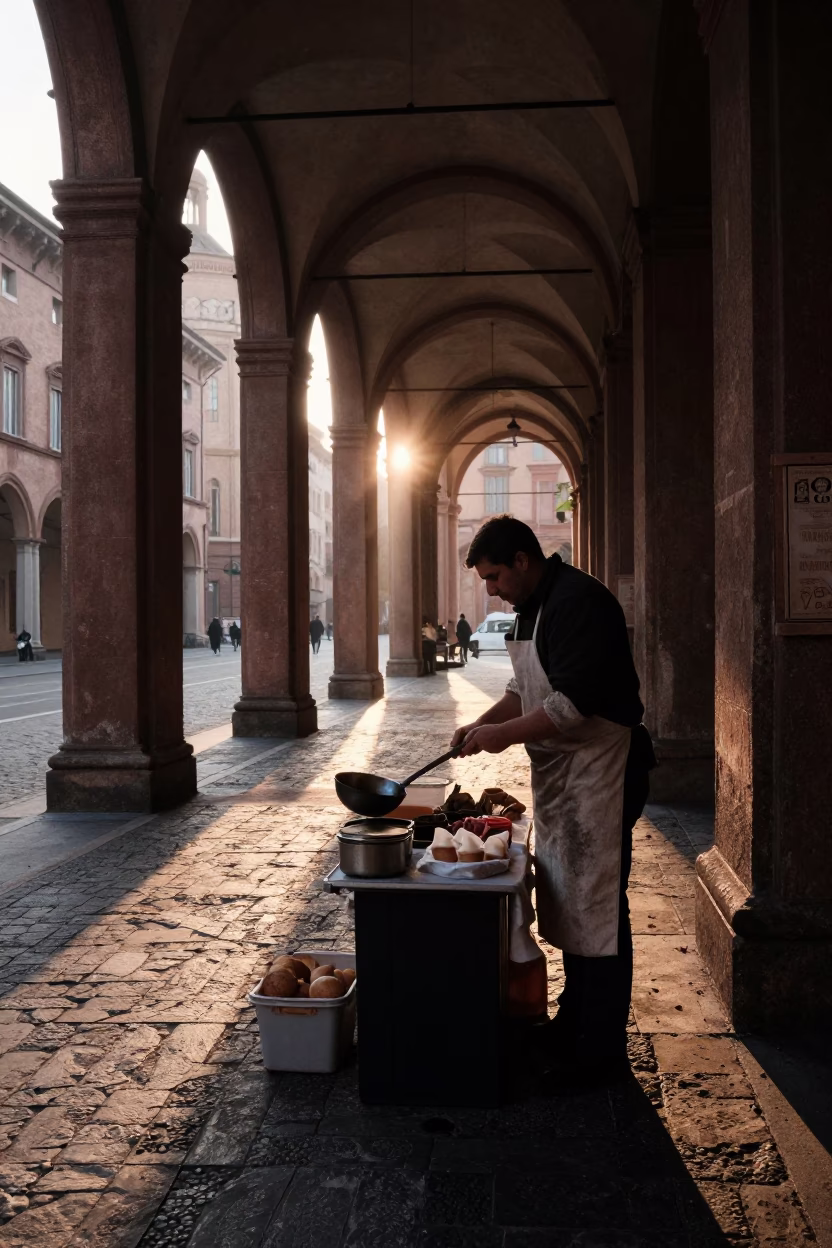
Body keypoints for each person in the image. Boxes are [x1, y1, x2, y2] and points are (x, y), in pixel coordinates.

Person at [451, 515, 654, 1087]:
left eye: (494, 576)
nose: (490, 589)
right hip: (568, 774)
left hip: (604, 770)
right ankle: (574, 1025)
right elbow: (524, 690)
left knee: (601, 910)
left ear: (521, 559)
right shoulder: (533, 604)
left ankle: (600, 1051)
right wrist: (480, 723)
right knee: (569, 899)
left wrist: (501, 737)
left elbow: (573, 705)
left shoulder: (578, 602)